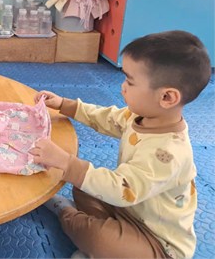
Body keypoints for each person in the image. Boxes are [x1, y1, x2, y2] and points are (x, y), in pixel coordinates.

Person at [30, 30, 211, 258]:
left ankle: (65, 212)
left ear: (167, 97)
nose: (122, 87)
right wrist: (65, 104)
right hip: (128, 207)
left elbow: (122, 189)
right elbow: (106, 117)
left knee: (98, 237)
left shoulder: (168, 154)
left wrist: (67, 163)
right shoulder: (140, 116)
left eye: (130, 81)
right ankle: (95, 235)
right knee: (83, 184)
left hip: (157, 242)